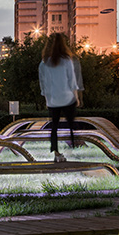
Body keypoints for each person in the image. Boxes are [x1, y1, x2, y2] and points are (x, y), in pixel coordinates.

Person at [38, 32, 83, 162]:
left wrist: (47, 99)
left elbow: (43, 84)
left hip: (53, 100)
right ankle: (74, 145)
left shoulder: (43, 63)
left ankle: (56, 153)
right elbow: (72, 80)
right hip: (67, 98)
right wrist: (76, 97)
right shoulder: (66, 60)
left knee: (54, 127)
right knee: (72, 123)